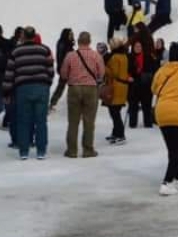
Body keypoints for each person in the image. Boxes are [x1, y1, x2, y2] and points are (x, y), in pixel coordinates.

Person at [147, 42, 178, 196]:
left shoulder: (161, 71)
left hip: (163, 113)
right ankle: (167, 182)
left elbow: (154, 89)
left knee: (173, 149)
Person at [4, 27, 54, 160]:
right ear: (34, 36)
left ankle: (24, 152)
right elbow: (51, 70)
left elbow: (9, 73)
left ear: (23, 36)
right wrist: (46, 83)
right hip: (41, 88)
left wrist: (7, 92)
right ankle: (41, 151)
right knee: (41, 121)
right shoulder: (45, 49)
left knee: (23, 121)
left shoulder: (16, 51)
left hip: (23, 88)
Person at [58, 31, 105, 159]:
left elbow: (63, 74)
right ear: (89, 42)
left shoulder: (70, 56)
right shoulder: (96, 56)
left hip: (74, 89)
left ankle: (72, 150)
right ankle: (88, 150)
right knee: (89, 121)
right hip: (91, 89)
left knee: (73, 121)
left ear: (78, 41)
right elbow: (101, 73)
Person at [103, 37, 131, 144]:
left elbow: (113, 73)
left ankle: (120, 134)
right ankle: (115, 133)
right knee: (116, 112)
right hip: (122, 86)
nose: (109, 46)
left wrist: (104, 67)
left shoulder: (115, 57)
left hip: (115, 86)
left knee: (114, 112)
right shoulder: (124, 56)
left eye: (111, 44)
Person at [128, 36, 159, 129]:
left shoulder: (148, 56)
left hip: (146, 84)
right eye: (136, 46)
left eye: (139, 46)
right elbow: (126, 70)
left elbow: (154, 68)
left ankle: (148, 123)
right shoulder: (129, 57)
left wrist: (150, 76)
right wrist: (128, 77)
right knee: (133, 105)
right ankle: (133, 123)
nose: (137, 48)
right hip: (134, 84)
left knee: (147, 105)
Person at [48, 28, 76, 112]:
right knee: (63, 87)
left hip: (67, 69)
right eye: (70, 34)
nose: (72, 36)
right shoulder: (64, 44)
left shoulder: (66, 44)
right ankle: (52, 104)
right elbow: (62, 58)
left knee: (65, 87)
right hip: (66, 69)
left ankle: (53, 103)